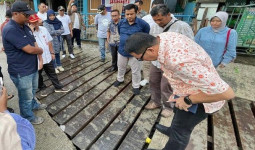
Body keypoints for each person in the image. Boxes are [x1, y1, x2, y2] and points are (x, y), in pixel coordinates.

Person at [125, 32, 235, 150]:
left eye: (140, 58)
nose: (141, 60)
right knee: (178, 114)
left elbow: (227, 93)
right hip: (184, 89)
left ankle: (174, 135)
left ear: (151, 50)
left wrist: (188, 100)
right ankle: (171, 130)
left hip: (201, 100)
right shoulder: (164, 37)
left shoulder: (179, 62)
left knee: (181, 133)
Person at [144, 4, 194, 117]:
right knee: (153, 81)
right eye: (155, 20)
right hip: (156, 62)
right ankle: (156, 102)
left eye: (160, 19)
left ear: (168, 14)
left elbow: (190, 45)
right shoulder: (154, 26)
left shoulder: (182, 26)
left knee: (166, 87)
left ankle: (168, 107)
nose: (158, 22)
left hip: (171, 65)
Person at [2, 1, 47, 125]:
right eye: (26, 14)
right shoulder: (10, 29)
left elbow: (33, 42)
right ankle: (27, 117)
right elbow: (30, 49)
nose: (28, 17)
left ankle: (33, 105)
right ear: (15, 13)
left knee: (33, 90)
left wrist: (38, 55)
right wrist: (41, 50)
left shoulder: (25, 26)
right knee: (25, 97)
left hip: (31, 68)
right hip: (21, 71)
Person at [29, 14, 70, 95]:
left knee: (52, 73)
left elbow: (49, 41)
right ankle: (41, 88)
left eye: (37, 21)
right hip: (36, 59)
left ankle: (58, 87)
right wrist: (31, 32)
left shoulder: (43, 29)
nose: (36, 23)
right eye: (33, 22)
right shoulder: (28, 33)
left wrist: (52, 52)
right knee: (38, 75)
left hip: (47, 55)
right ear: (29, 23)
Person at [114, 4, 150, 95]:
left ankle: (136, 86)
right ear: (124, 14)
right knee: (121, 67)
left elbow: (145, 36)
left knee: (136, 70)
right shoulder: (121, 23)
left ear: (136, 13)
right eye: (127, 14)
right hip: (122, 50)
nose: (129, 16)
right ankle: (120, 79)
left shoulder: (143, 24)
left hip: (136, 52)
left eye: (131, 14)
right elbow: (119, 32)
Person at [140, 0, 165, 87]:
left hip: (163, 50)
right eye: (154, 7)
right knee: (146, 64)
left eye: (159, 7)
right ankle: (146, 78)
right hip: (148, 46)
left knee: (162, 69)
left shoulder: (172, 20)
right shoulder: (146, 18)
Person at [43, 9, 65, 74]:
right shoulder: (46, 23)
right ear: (48, 16)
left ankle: (59, 65)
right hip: (51, 41)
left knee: (58, 53)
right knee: (52, 54)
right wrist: (58, 31)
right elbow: (49, 32)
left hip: (58, 40)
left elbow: (63, 30)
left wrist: (55, 32)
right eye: (50, 16)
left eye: (53, 15)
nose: (52, 17)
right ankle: (54, 67)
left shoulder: (58, 21)